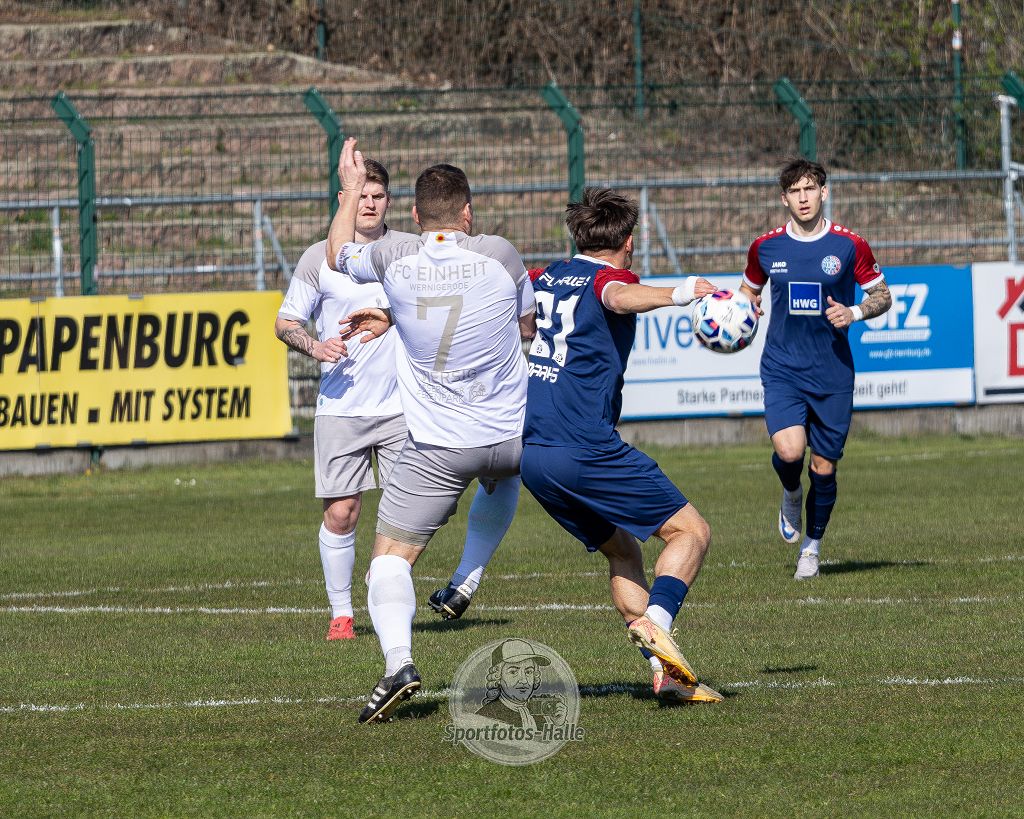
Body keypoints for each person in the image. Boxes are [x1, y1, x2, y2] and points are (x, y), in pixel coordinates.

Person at [326, 138, 537, 723]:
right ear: (468, 212)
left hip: (438, 446)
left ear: (415, 216)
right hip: (510, 438)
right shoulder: (500, 252)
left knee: (389, 563)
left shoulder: (395, 258)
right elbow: (526, 323)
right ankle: (468, 574)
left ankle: (399, 664)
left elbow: (337, 253)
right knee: (502, 478)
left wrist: (350, 190)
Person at [275, 157, 520, 642]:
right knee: (341, 511)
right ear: (345, 199)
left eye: (377, 196)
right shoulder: (317, 258)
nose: (369, 204)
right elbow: (286, 322)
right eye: (360, 195)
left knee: (412, 515)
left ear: (395, 203)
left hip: (406, 408)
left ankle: (387, 589)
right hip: (342, 404)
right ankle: (342, 614)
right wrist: (315, 347)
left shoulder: (409, 250)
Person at [519, 186, 723, 705]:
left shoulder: (546, 277)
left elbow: (513, 310)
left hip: (535, 455)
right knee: (691, 531)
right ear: (628, 242)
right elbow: (616, 297)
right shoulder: (610, 279)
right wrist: (681, 293)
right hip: (584, 448)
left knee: (624, 550)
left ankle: (666, 673)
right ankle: (657, 623)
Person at [739, 158, 892, 580]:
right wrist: (744, 308)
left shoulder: (849, 245)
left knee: (824, 468)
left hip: (832, 372)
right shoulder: (765, 247)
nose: (803, 198)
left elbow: (882, 295)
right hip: (783, 368)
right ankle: (791, 492)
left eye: (810, 189)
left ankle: (811, 547)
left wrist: (854, 312)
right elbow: (748, 290)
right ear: (784, 198)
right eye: (795, 191)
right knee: (790, 452)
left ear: (824, 192)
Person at [475, 639, 566, 729]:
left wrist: (558, 724)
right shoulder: (485, 716)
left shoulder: (537, 716)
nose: (524, 680)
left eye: (528, 672)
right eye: (513, 672)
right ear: (498, 677)